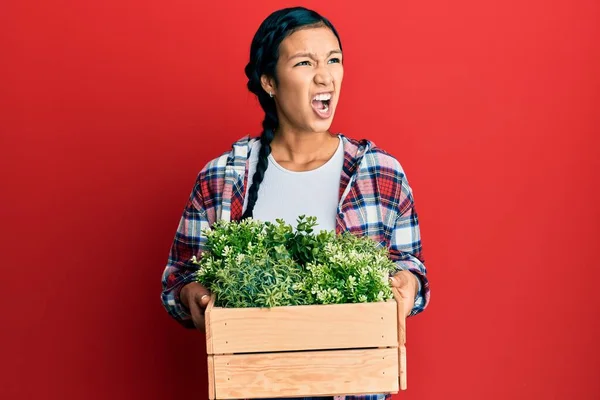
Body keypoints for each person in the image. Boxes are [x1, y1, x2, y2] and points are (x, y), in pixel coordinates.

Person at [161, 6, 430, 400]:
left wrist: (407, 284)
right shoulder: (223, 177)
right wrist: (195, 295)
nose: (325, 76)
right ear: (269, 81)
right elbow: (178, 279)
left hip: (353, 389)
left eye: (334, 60)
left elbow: (411, 269)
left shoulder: (379, 172)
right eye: (305, 62)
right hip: (254, 388)